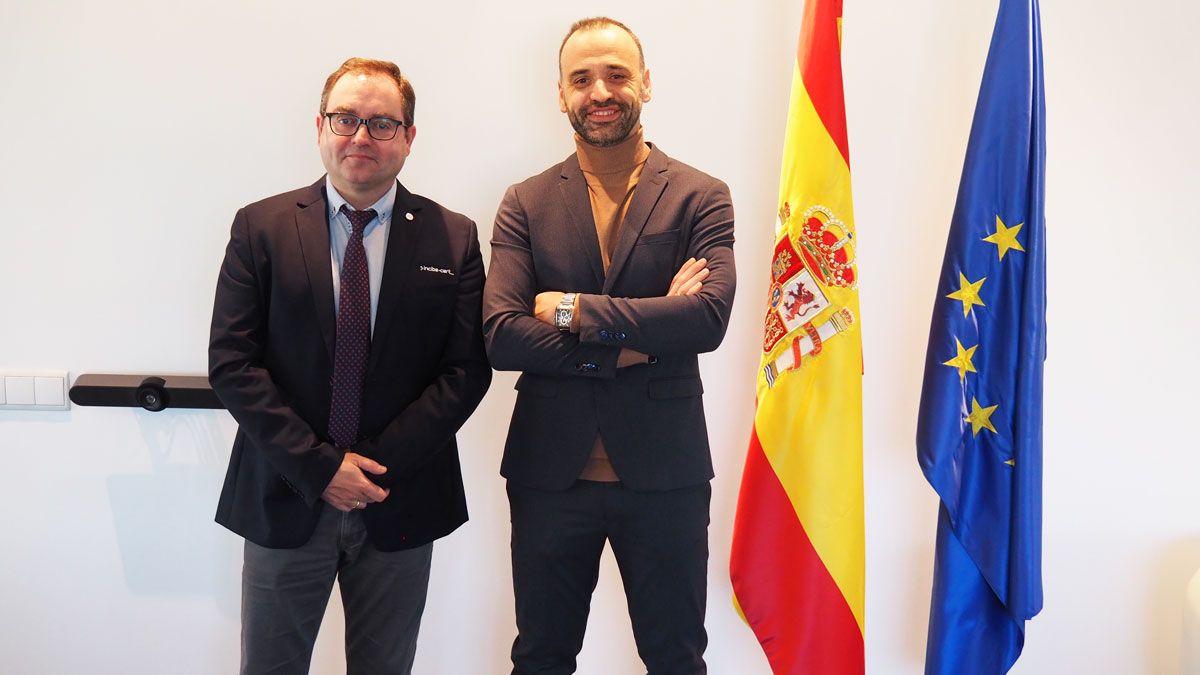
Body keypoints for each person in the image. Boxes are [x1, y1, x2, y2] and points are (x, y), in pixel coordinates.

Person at [208, 57, 491, 675]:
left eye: (383, 124)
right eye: (346, 119)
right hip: (285, 494)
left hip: (400, 496)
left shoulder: (455, 237)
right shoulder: (261, 228)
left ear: (409, 138)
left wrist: (367, 468)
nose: (361, 137)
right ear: (319, 126)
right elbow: (233, 362)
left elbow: (465, 372)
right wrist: (321, 467)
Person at [482, 17, 736, 675]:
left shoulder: (700, 196)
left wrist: (566, 308)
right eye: (582, 78)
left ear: (645, 83)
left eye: (617, 74)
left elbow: (705, 320)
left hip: (666, 475)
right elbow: (502, 332)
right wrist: (635, 340)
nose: (600, 90)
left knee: (676, 658)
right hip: (548, 476)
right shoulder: (526, 202)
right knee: (540, 657)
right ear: (560, 94)